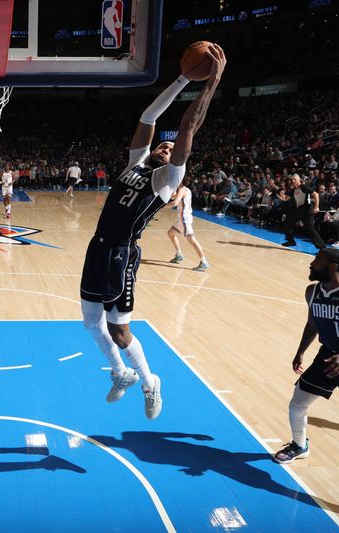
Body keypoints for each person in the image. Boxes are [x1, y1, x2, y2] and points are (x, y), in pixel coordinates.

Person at [80, 44, 226, 420]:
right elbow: (149, 115)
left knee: (120, 332)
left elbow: (190, 125)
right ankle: (121, 373)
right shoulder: (137, 163)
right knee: (90, 323)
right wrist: (181, 78)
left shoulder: (166, 180)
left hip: (121, 254)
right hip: (97, 248)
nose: (164, 146)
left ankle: (149, 382)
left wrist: (211, 82)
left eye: (168, 146)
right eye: (161, 144)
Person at [272, 249, 339, 531]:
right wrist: (300, 352)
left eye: (317, 260)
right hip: (327, 354)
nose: (311, 262)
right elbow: (312, 324)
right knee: (297, 404)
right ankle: (299, 445)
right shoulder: (312, 292)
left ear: (332, 266)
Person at [167, 177, 209, 271]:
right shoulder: (186, 190)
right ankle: (179, 255)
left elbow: (174, 203)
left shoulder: (182, 190)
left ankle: (204, 262)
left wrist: (161, 207)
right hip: (182, 219)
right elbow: (173, 197)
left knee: (192, 241)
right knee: (171, 233)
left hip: (184, 219)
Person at [282, 173, 325, 249]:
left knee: (310, 228)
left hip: (307, 210)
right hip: (299, 211)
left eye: (295, 179)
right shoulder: (294, 190)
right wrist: (281, 194)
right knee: (287, 222)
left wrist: (316, 207)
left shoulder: (303, 187)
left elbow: (316, 194)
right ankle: (291, 241)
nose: (293, 181)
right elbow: (286, 198)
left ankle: (322, 247)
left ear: (299, 180)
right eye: (292, 180)